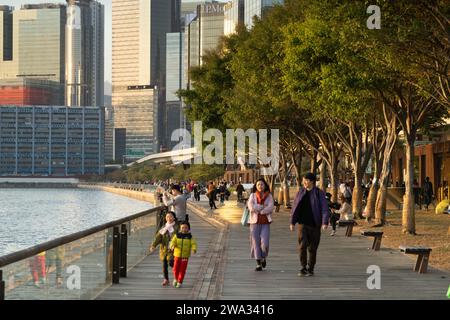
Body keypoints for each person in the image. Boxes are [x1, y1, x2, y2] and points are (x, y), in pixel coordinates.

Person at [290, 172, 329, 276]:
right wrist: (292, 222)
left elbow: (325, 208)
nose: (304, 182)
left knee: (312, 247)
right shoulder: (300, 192)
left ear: (312, 181)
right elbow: (295, 208)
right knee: (302, 246)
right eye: (304, 180)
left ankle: (310, 268)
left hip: (315, 224)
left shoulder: (318, 193)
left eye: (306, 180)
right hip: (302, 224)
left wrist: (325, 222)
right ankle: (303, 267)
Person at [247, 178, 274, 271]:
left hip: (265, 222)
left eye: (262, 184)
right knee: (255, 242)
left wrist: (261, 210)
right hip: (254, 223)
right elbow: (250, 206)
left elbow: (270, 207)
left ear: (265, 185)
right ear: (256, 186)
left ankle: (263, 257)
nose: (260, 186)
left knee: (265, 243)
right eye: (258, 184)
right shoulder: (252, 195)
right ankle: (258, 263)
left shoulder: (269, 196)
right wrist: (262, 207)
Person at [150, 211, 178, 286]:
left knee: (171, 262)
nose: (169, 218)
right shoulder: (164, 227)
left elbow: (179, 237)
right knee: (164, 265)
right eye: (167, 217)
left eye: (170, 216)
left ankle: (177, 274)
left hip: (173, 249)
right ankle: (166, 279)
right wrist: (153, 245)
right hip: (164, 249)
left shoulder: (177, 227)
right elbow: (158, 237)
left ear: (174, 218)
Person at [170, 221, 197, 288]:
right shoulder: (176, 236)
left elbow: (193, 244)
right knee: (175, 269)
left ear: (188, 229)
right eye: (182, 228)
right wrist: (172, 246)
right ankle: (176, 279)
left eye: (186, 228)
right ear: (180, 228)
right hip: (177, 255)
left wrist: (194, 249)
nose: (184, 229)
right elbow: (173, 242)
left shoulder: (190, 237)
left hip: (185, 256)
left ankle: (180, 281)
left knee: (182, 270)